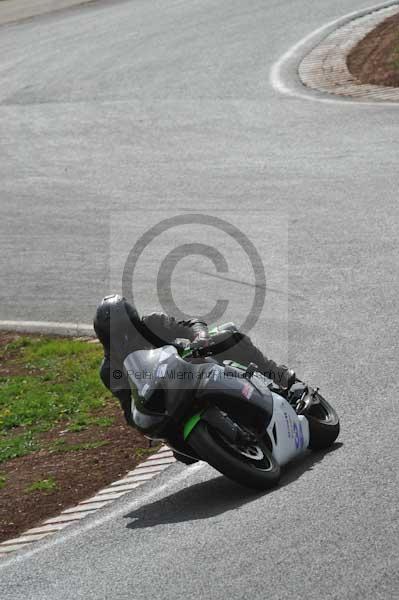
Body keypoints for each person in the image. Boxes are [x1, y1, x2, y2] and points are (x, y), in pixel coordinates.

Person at [94, 294, 297, 431]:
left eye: (126, 330)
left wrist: (199, 336)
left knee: (228, 336)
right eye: (116, 334)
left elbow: (190, 324)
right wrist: (143, 421)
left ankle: (276, 373)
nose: (124, 338)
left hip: (191, 368)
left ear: (136, 323)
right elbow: (128, 407)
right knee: (181, 454)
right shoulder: (110, 370)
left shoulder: (152, 323)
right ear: (104, 337)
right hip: (167, 404)